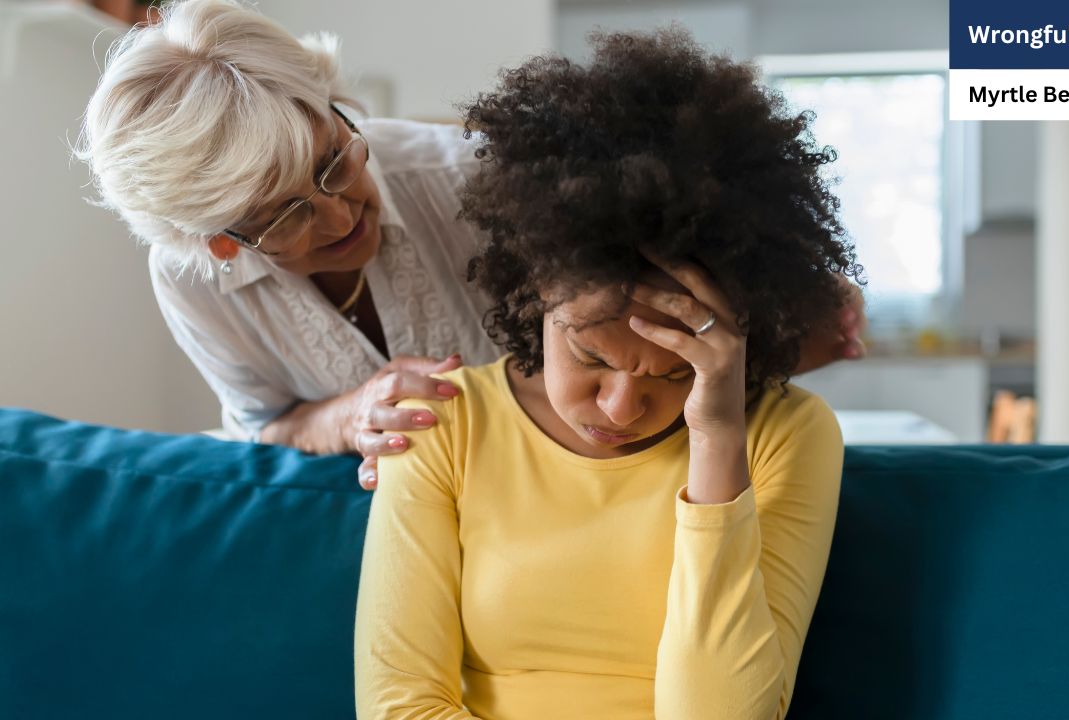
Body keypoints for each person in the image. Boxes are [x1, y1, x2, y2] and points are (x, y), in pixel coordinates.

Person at [76, 0, 864, 490]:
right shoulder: (191, 281)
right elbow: (265, 425)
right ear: (219, 243)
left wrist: (779, 305)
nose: (341, 208)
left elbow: (659, 310)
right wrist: (349, 415)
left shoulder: (470, 179)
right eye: (283, 214)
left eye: (332, 158)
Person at [354, 28, 858, 718]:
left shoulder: (784, 435)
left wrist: (714, 440)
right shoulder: (444, 422)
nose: (621, 407)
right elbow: (398, 707)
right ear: (535, 292)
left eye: (674, 375)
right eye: (591, 357)